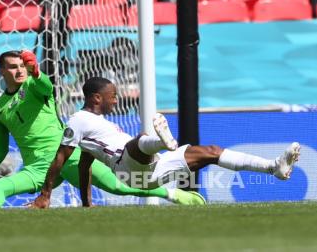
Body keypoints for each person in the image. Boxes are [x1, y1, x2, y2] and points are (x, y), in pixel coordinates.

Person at [0, 51, 206, 210]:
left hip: (67, 157)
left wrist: (36, 70)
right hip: (36, 168)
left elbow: (46, 87)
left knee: (119, 187)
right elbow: (0, 147)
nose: (18, 71)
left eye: (21, 67)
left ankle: (175, 194)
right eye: (12, 67)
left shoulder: (35, 89)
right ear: (2, 71)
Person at [30, 77, 301, 208]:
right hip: (127, 171)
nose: (116, 99)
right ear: (96, 98)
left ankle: (273, 167)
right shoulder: (77, 120)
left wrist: (87, 205)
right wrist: (45, 194)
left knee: (211, 152)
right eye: (112, 96)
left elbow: (86, 159)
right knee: (135, 143)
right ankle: (158, 141)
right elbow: (61, 158)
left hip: (152, 169)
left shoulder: (99, 125)